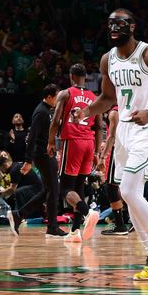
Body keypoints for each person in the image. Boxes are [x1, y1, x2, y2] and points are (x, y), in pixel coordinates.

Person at [73, 8, 148, 280]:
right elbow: (107, 97)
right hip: (124, 127)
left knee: (128, 190)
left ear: (132, 27)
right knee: (127, 194)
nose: (113, 27)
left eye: (120, 23)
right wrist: (87, 111)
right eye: (110, 23)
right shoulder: (107, 59)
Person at [48, 63, 102, 242]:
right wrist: (96, 151)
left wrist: (50, 142)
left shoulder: (66, 93)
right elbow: (100, 127)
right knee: (79, 187)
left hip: (73, 141)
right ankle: (75, 231)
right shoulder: (94, 97)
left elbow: (56, 120)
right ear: (85, 77)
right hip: (89, 143)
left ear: (71, 76)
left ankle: (88, 213)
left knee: (65, 189)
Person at [7, 84, 68, 238]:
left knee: (50, 190)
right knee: (54, 190)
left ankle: (19, 215)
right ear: (48, 97)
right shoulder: (41, 112)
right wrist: (28, 161)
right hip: (42, 155)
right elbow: (32, 137)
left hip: (48, 155)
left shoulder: (48, 111)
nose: (58, 100)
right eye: (56, 97)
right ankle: (52, 227)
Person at [97, 105, 132, 235]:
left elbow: (111, 137)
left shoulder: (114, 113)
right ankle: (133, 221)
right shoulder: (128, 108)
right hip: (131, 148)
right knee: (127, 187)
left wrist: (102, 157)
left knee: (112, 186)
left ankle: (120, 225)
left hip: (119, 150)